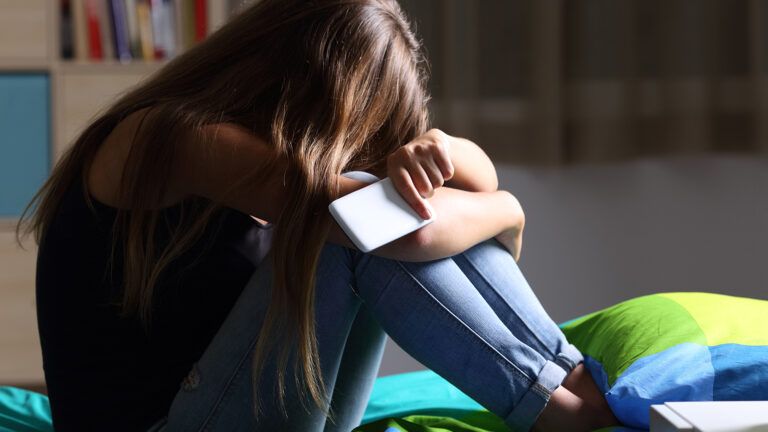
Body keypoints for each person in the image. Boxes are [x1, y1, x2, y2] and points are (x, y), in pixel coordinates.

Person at [19, 0, 619, 430]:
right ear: (305, 84)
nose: (356, 146)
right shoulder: (176, 137)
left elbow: (470, 180)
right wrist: (508, 211)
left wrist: (433, 148)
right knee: (361, 225)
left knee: (380, 207)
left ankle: (565, 380)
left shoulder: (277, 156)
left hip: (252, 406)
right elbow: (405, 231)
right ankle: (559, 404)